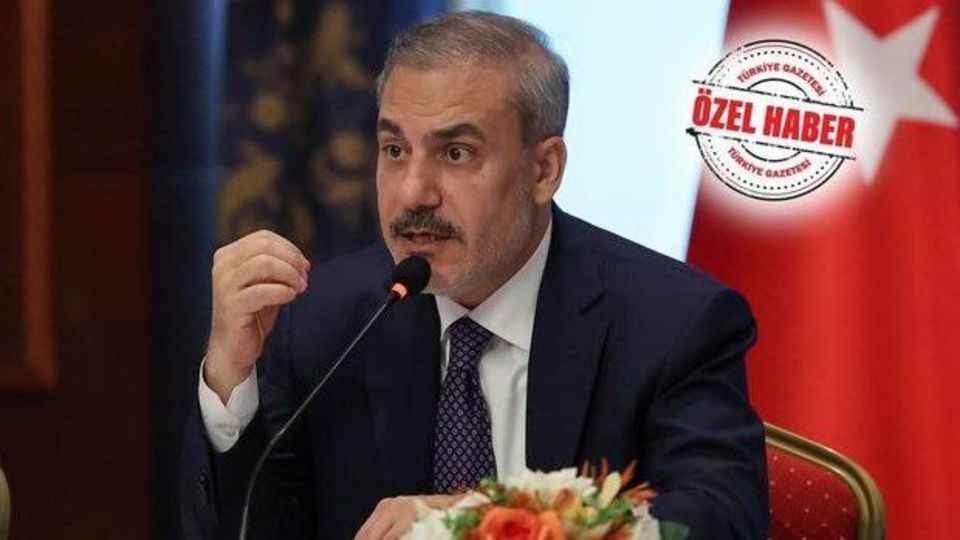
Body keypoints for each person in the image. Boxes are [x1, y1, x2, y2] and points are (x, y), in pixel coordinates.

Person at [181, 11, 768, 540]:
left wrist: (486, 522)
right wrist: (230, 377)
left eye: (456, 153)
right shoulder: (325, 317)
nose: (414, 192)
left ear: (544, 170)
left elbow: (720, 519)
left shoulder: (672, 323)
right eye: (395, 150)